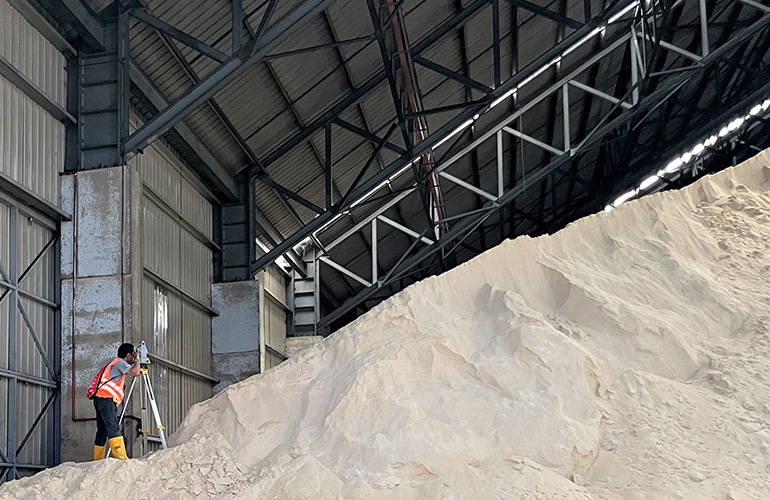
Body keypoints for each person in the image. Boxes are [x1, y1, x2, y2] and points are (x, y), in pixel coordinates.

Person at [88, 343, 142, 460]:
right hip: (106, 399)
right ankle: (121, 458)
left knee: (102, 430)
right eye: (132, 355)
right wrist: (137, 360)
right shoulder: (120, 363)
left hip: (100, 398)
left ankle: (98, 459)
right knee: (113, 427)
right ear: (128, 355)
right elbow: (135, 372)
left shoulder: (114, 363)